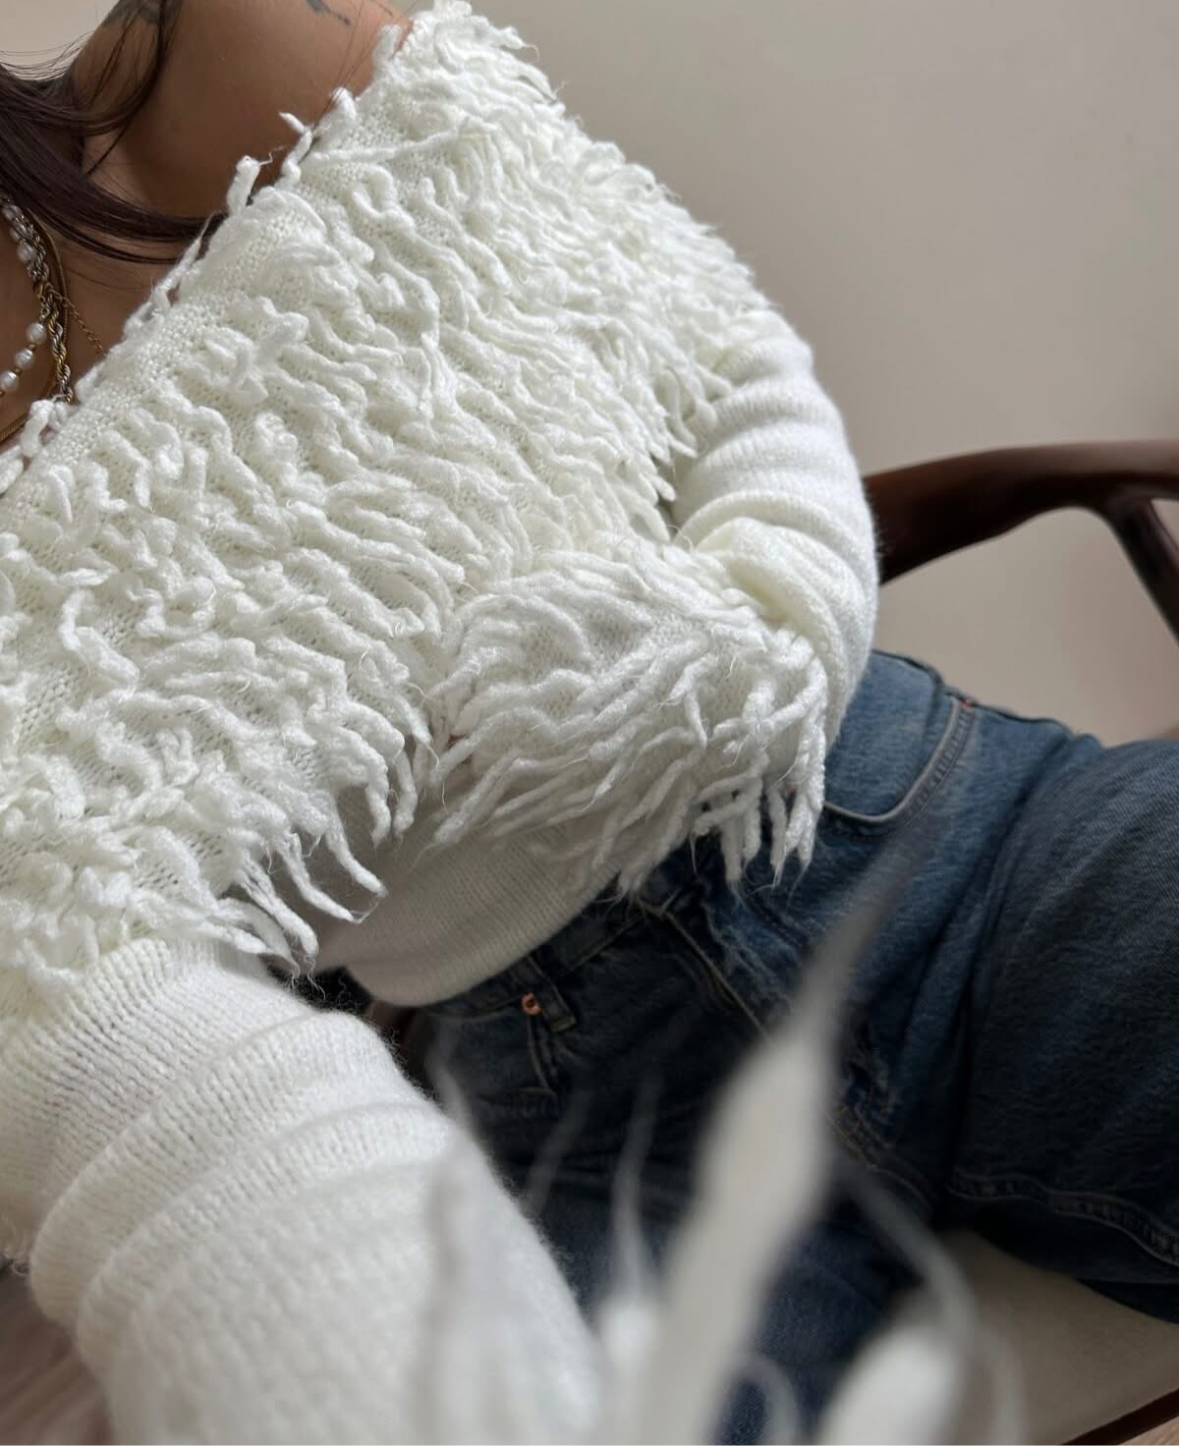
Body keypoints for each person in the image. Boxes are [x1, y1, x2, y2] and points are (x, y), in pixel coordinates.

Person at [0, 1, 1176, 1442]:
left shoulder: (246, 45)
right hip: (578, 1097)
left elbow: (720, 353)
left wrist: (759, 623)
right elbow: (87, 992)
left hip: (945, 837)